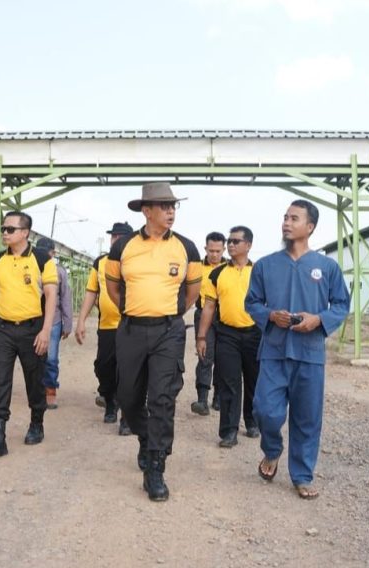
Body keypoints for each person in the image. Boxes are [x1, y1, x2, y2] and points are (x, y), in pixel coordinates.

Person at [246, 200, 350, 500]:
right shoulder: (266, 265)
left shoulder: (327, 266)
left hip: (310, 354)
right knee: (264, 410)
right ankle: (272, 449)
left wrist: (319, 319)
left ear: (310, 226)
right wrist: (269, 315)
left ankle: (302, 475)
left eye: (294, 218)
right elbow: (251, 302)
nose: (286, 223)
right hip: (274, 351)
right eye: (285, 218)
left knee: (307, 418)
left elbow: (342, 304)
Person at [105, 183, 202, 502]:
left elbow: (191, 293)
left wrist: (169, 316)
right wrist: (134, 313)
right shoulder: (122, 248)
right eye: (164, 206)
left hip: (168, 332)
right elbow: (113, 287)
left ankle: (156, 468)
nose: (171, 211)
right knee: (128, 398)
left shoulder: (187, 249)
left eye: (173, 206)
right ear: (146, 211)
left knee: (162, 398)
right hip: (131, 329)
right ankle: (146, 439)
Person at [0, 211, 58, 459]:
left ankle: (37, 423)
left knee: (34, 380)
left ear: (25, 232)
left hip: (32, 329)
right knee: (0, 380)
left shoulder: (42, 259)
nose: (5, 233)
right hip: (2, 329)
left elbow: (51, 296)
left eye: (10, 229)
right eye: (3, 229)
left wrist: (46, 331)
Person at [196, 226, 261, 448]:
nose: (231, 245)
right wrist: (201, 337)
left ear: (248, 245)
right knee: (229, 382)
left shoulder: (260, 272)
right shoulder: (217, 273)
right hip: (227, 334)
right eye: (230, 241)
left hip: (254, 334)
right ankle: (229, 431)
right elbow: (209, 307)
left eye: (236, 241)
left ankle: (251, 421)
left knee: (253, 380)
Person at [74, 221, 134, 435]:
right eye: (113, 236)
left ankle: (127, 416)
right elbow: (91, 291)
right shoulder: (100, 262)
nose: (116, 240)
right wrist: (81, 320)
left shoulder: (135, 261)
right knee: (104, 366)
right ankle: (110, 400)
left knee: (129, 372)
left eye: (120, 237)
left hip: (131, 326)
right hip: (107, 326)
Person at [34, 237, 73, 409]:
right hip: (33, 319)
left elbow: (65, 297)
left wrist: (68, 323)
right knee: (34, 358)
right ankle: (37, 390)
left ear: (52, 253)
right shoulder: (30, 268)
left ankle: (50, 391)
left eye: (46, 251)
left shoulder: (60, 272)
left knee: (50, 358)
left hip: (54, 321)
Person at [191, 232, 226, 416]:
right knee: (205, 355)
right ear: (205, 248)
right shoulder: (196, 267)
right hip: (203, 315)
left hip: (224, 317)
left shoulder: (229, 268)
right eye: (211, 250)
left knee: (223, 357)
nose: (214, 254)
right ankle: (202, 399)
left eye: (218, 251)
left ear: (224, 249)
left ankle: (219, 397)